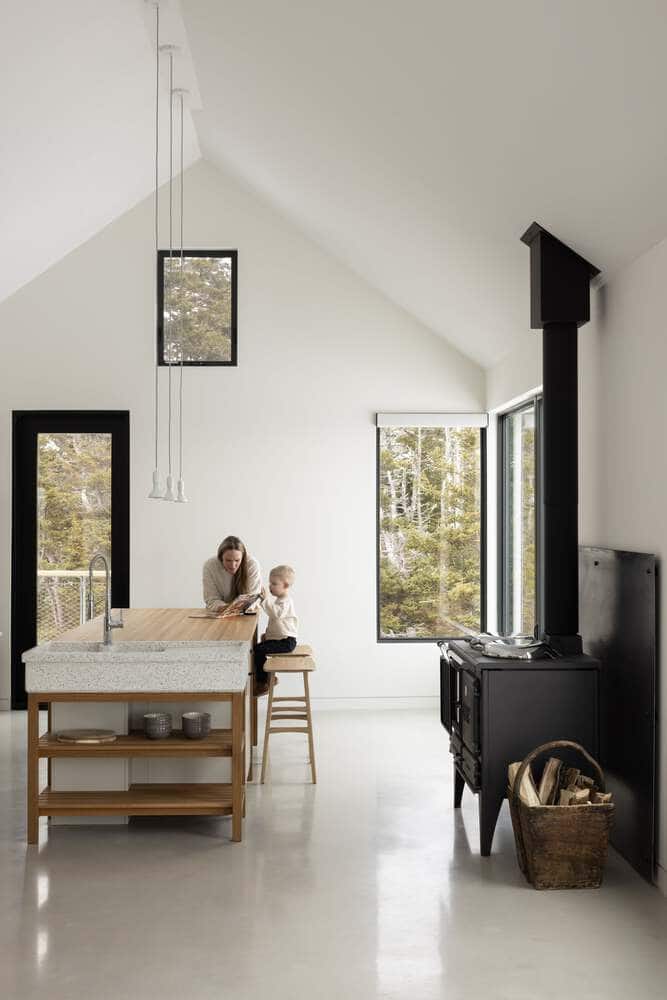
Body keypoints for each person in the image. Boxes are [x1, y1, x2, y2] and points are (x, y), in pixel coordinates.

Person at [253, 565, 298, 695]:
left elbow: (276, 614)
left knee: (258, 649)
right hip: (282, 638)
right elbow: (275, 623)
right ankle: (269, 677)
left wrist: (265, 600)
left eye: (274, 584)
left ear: (285, 585)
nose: (270, 586)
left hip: (287, 642)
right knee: (262, 642)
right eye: (270, 583)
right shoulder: (280, 600)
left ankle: (263, 682)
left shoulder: (285, 602)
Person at [202, 536, 262, 613]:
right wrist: (226, 608)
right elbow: (211, 599)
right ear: (220, 558)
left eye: (237, 560)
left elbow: (253, 598)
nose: (233, 565)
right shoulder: (210, 566)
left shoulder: (252, 565)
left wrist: (236, 608)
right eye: (228, 560)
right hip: (219, 613)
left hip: (246, 614)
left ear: (243, 558)